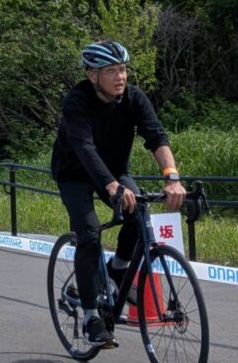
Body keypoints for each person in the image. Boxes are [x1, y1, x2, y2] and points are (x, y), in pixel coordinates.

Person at [50, 41, 186, 346]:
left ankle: (116, 272)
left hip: (115, 171)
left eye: (123, 69)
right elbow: (84, 147)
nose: (120, 77)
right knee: (89, 233)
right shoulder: (77, 101)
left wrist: (172, 177)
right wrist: (111, 186)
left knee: (139, 215)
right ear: (92, 75)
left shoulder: (134, 99)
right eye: (111, 71)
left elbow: (156, 136)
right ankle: (91, 317)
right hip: (74, 173)